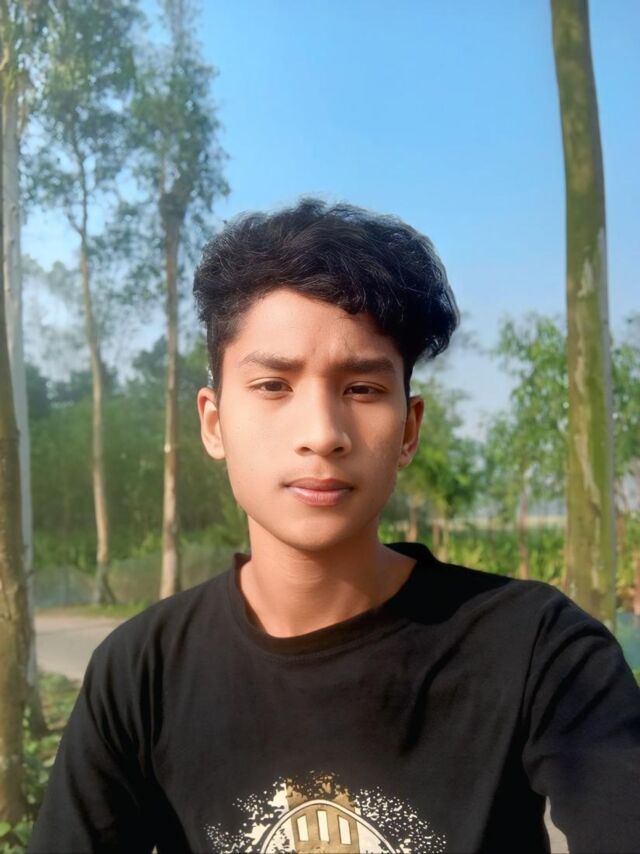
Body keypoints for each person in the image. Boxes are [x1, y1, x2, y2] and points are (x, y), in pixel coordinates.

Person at [29, 199, 640, 853]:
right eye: (273, 385)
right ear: (214, 423)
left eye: (362, 389)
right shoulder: (141, 672)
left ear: (408, 430)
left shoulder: (539, 650)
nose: (322, 434)